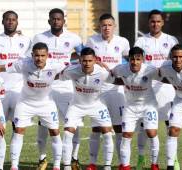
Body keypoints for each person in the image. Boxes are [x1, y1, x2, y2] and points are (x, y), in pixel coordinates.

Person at [0, 42, 64, 170]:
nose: (39, 58)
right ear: (32, 55)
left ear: (48, 55)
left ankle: (57, 166)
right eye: (36, 55)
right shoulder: (23, 64)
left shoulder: (56, 65)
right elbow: (0, 68)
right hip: (25, 103)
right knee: (18, 131)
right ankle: (14, 166)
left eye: (43, 55)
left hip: (46, 103)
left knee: (55, 132)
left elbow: (77, 66)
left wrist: (98, 64)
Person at [32, 8, 83, 170]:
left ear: (63, 21)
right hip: (45, 87)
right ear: (49, 21)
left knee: (73, 122)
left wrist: (72, 66)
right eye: (53, 19)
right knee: (43, 123)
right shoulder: (39, 38)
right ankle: (42, 158)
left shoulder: (74, 38)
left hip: (66, 86)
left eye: (59, 19)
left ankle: (74, 158)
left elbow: (85, 56)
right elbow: (31, 58)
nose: (56, 21)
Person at [0, 11, 31, 170]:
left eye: (13, 20)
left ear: (17, 22)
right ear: (2, 21)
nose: (10, 22)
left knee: (18, 127)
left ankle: (14, 165)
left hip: (19, 90)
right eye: (8, 19)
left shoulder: (26, 40)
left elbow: (34, 60)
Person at [134, 9, 179, 170]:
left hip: (166, 87)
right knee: (143, 125)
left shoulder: (171, 40)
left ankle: (173, 159)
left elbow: (176, 62)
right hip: (146, 88)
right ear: (148, 23)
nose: (155, 24)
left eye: (158, 21)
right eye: (153, 21)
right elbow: (136, 63)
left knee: (170, 124)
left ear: (163, 22)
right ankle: (141, 158)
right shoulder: (140, 41)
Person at [85, 13, 130, 169]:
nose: (106, 28)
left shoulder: (123, 42)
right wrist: (99, 62)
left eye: (109, 25)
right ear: (100, 26)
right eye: (103, 25)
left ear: (114, 26)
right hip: (98, 90)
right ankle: (92, 163)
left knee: (118, 128)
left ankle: (122, 163)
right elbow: (87, 59)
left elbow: (129, 61)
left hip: (116, 89)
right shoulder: (92, 40)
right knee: (97, 127)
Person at [60, 47, 114, 170]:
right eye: (84, 61)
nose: (87, 64)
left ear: (95, 60)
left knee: (107, 133)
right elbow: (59, 76)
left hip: (96, 105)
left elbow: (114, 79)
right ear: (80, 60)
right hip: (76, 105)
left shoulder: (103, 72)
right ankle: (67, 167)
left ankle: (107, 166)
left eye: (90, 61)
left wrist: (107, 67)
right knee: (68, 133)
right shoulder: (72, 70)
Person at [110, 47, 160, 170]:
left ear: (142, 59)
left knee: (151, 133)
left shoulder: (150, 69)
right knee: (126, 135)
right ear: (128, 59)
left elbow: (164, 76)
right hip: (130, 107)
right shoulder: (121, 68)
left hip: (148, 105)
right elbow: (111, 75)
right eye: (132, 59)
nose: (135, 62)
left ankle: (154, 165)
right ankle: (125, 166)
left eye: (138, 59)